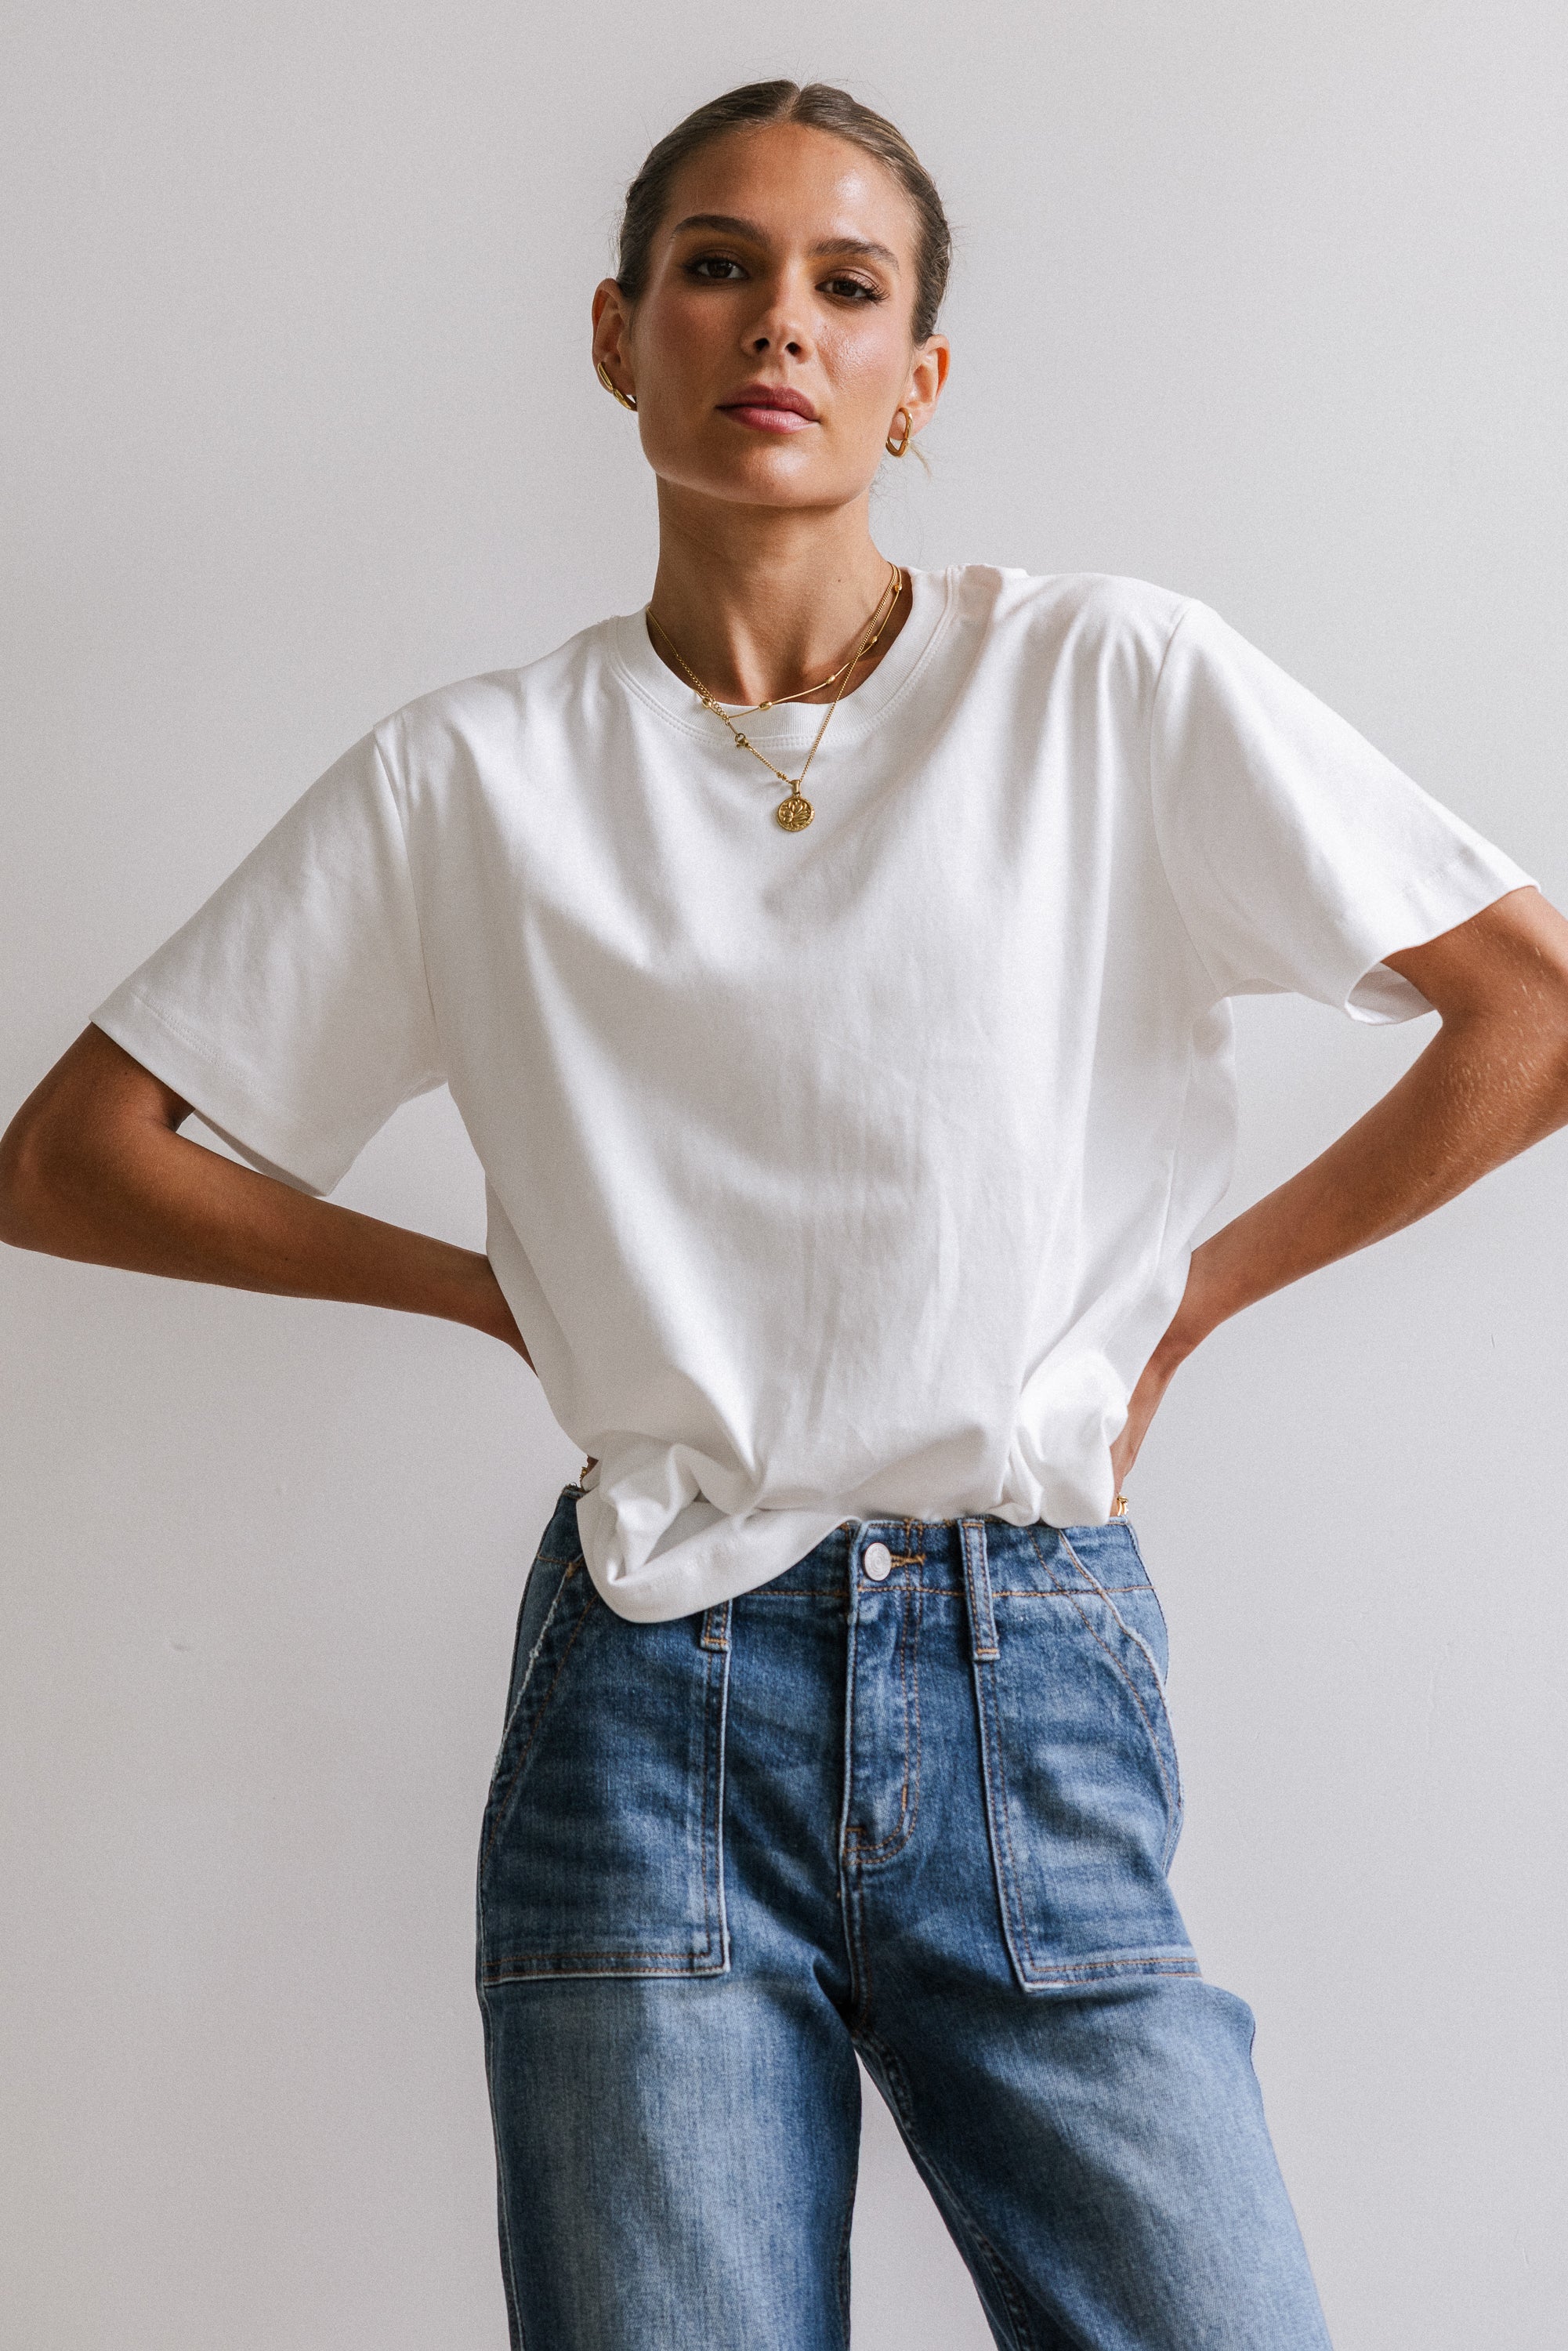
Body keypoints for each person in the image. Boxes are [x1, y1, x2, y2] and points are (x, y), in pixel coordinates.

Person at [3, 74, 1565, 2351]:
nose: (779, 326)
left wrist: (1190, 1305)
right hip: (649, 1702)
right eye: (718, 269)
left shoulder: (1099, 682)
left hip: (1027, 1668)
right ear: (617, 331)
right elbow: (72, 1159)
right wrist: (491, 1295)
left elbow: (1530, 1013)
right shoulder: (474, 780)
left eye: (848, 286)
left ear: (915, 377)